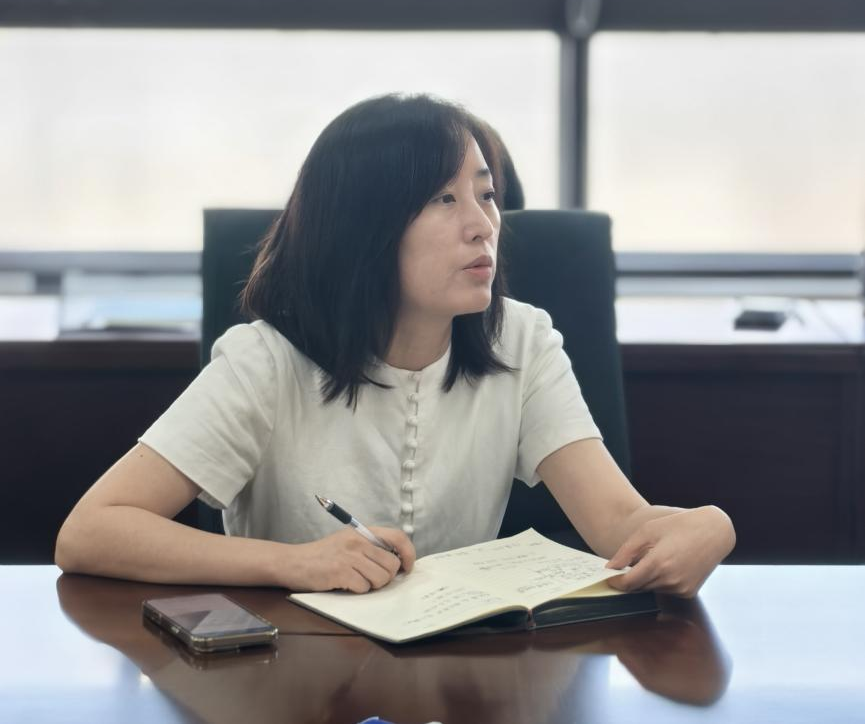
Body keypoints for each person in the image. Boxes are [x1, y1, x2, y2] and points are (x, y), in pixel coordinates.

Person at [56, 93, 735, 596]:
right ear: (364, 228)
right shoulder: (265, 361)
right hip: (292, 676)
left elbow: (620, 524)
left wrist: (709, 526)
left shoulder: (522, 340)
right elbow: (92, 530)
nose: (483, 226)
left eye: (486, 195)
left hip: (461, 679)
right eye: (443, 200)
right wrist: (293, 563)